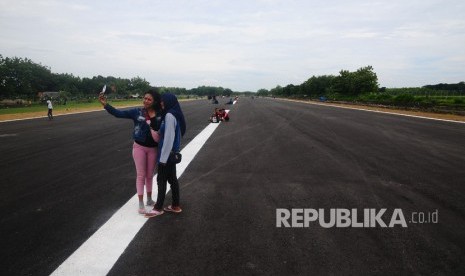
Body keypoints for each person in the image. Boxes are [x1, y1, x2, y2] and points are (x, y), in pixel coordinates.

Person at [99, 89, 162, 214]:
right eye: (145, 98)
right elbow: (118, 114)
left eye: (149, 99)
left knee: (150, 175)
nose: (146, 101)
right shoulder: (136, 112)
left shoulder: (160, 114)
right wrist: (105, 104)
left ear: (155, 102)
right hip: (139, 147)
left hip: (153, 148)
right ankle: (140, 203)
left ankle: (149, 199)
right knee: (140, 175)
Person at [145, 93, 186, 218]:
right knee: (173, 180)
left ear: (168, 101)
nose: (161, 103)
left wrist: (162, 159)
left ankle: (158, 208)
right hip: (172, 154)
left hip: (166, 156)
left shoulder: (169, 115)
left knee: (161, 180)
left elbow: (168, 138)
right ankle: (175, 205)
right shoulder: (174, 114)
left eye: (163, 101)